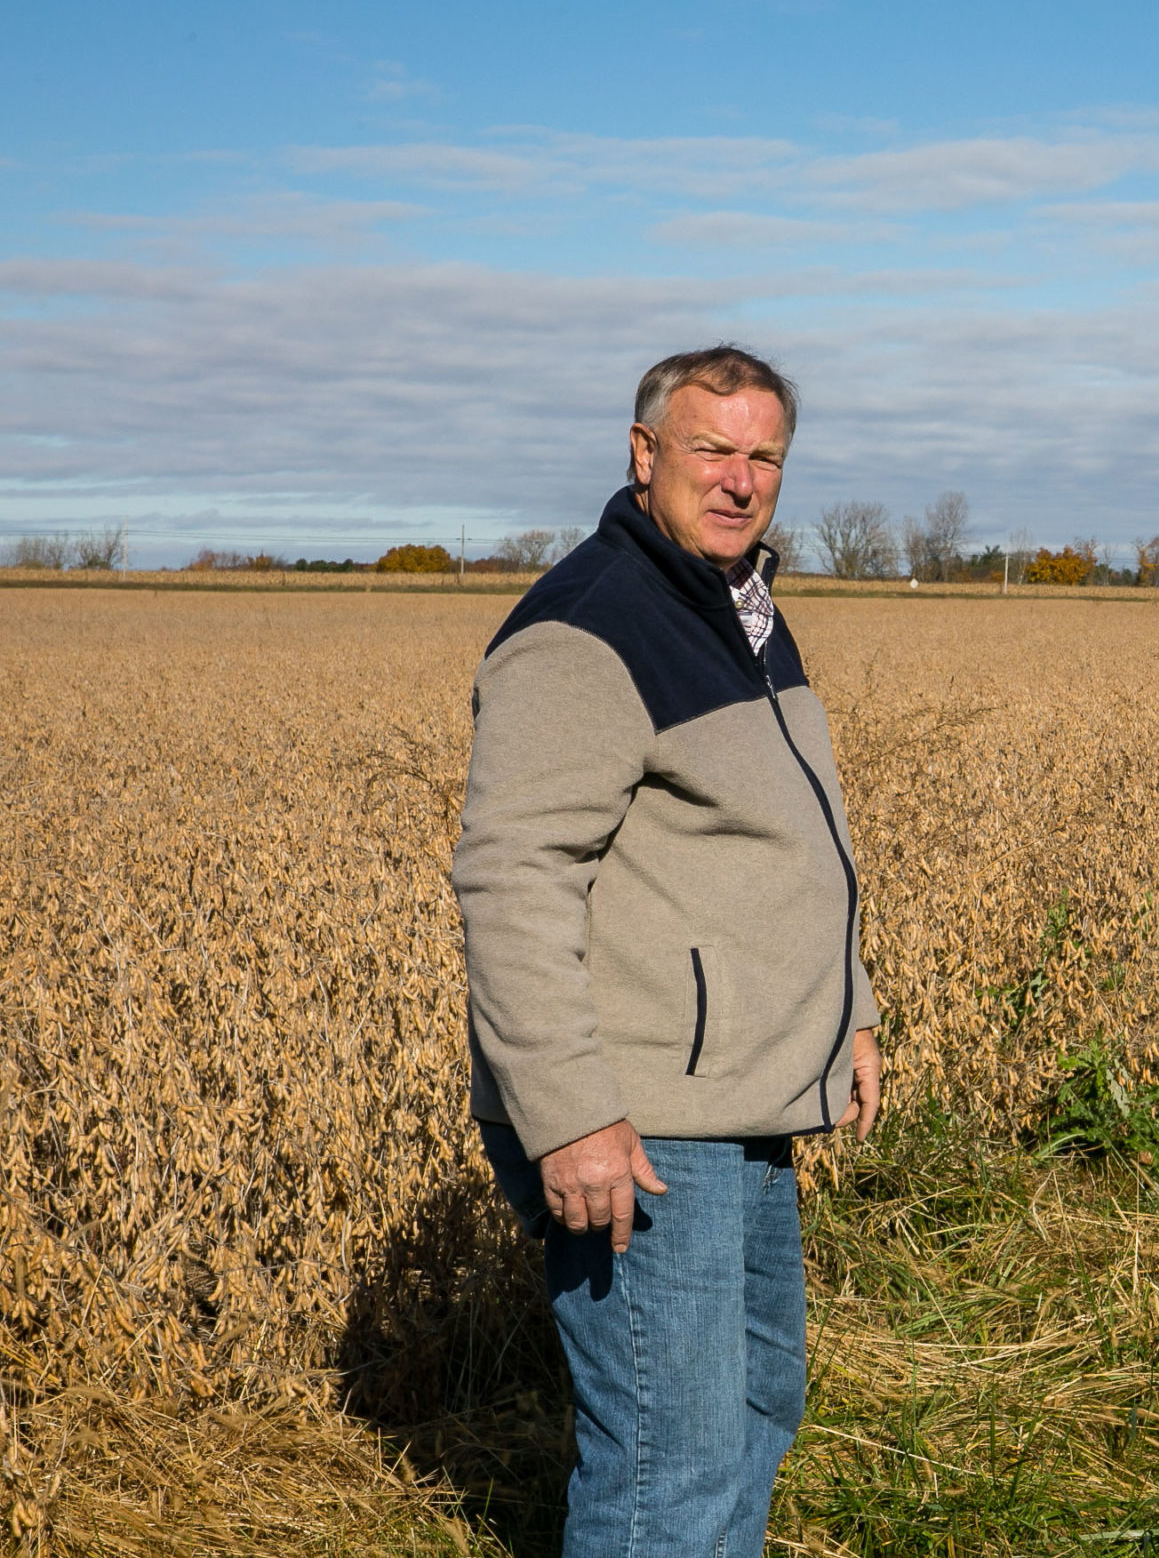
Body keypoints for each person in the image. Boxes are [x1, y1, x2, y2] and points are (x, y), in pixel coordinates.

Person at [452, 345, 883, 1555]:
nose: (741, 480)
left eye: (765, 456)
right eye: (712, 449)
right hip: (641, 1122)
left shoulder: (734, 606)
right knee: (667, 1465)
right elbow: (512, 878)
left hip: (737, 1098)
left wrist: (846, 1006)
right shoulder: (589, 629)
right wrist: (573, 1114)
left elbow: (787, 844)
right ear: (644, 455)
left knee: (754, 1403)